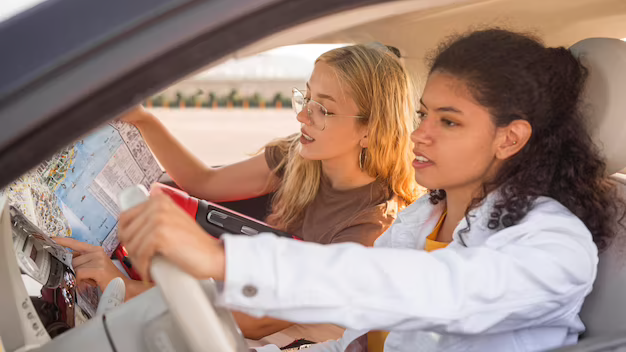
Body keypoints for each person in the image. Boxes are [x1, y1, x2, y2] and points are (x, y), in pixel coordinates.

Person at [116, 28, 626, 352]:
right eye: (423, 113)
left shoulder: (556, 246)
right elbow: (343, 324)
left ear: (509, 138)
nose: (419, 133)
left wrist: (223, 261)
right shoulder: (423, 218)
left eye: (449, 122)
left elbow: (422, 287)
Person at [55, 43, 421, 340]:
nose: (302, 116)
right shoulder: (300, 156)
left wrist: (122, 287)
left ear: (371, 131)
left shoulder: (372, 227)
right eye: (305, 98)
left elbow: (253, 320)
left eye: (322, 109)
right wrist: (143, 119)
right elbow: (204, 183)